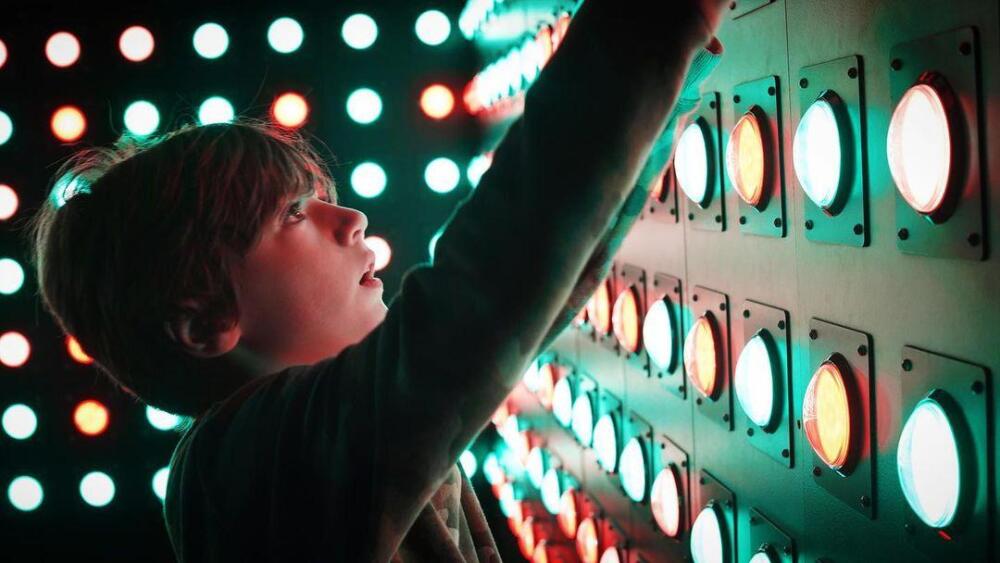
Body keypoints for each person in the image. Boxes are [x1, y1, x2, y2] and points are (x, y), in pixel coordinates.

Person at [25, 0, 726, 560]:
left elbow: (539, 287)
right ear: (206, 320)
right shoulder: (240, 468)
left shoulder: (275, 460)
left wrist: (673, 62)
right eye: (294, 212)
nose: (353, 218)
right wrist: (656, 23)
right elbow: (488, 292)